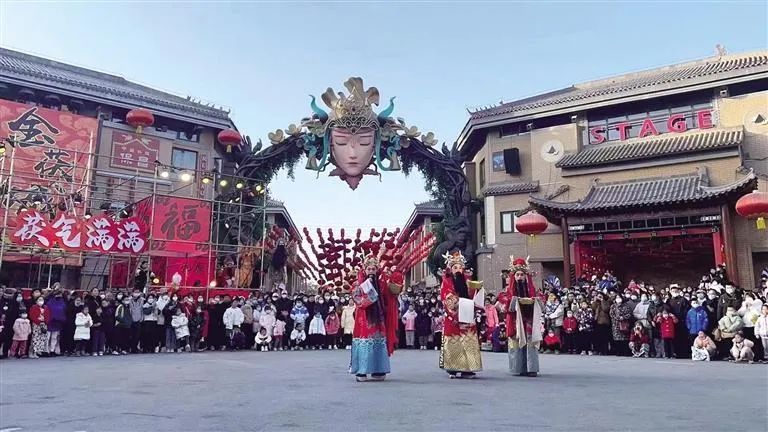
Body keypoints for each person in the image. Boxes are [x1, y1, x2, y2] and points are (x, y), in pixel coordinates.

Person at [349, 255, 399, 382]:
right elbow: (357, 299)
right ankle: (362, 371)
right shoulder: (357, 284)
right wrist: (370, 296)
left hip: (379, 319)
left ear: (377, 270)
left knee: (378, 342)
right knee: (364, 343)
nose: (371, 271)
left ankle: (378, 370)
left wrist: (394, 281)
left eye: (373, 269)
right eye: (369, 269)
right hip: (364, 319)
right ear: (364, 270)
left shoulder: (381, 284)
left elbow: (390, 296)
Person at [438, 251, 483, 379]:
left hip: (467, 315)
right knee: (454, 342)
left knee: (468, 341)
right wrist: (458, 303)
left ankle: (468, 369)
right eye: (455, 267)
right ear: (450, 269)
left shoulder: (468, 281)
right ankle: (453, 368)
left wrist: (478, 290)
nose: (458, 270)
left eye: (460, 267)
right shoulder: (446, 281)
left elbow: (474, 295)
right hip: (453, 317)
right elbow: (446, 296)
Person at [499, 257, 543, 377]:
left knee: (531, 343)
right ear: (514, 276)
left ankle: (531, 368)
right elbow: (503, 302)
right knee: (516, 342)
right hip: (515, 320)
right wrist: (514, 300)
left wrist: (535, 300)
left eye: (522, 275)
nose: (519, 277)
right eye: (517, 275)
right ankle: (518, 367)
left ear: (525, 276)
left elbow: (541, 299)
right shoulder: (508, 290)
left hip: (529, 320)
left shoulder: (532, 289)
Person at [737, 293, 763, 360]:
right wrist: (745, 307)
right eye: (746, 298)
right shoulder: (743, 305)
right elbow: (740, 313)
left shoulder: (757, 303)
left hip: (754, 326)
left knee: (756, 342)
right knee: (747, 342)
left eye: (749, 297)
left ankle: (758, 356)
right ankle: (748, 356)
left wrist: (751, 306)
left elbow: (758, 313)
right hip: (746, 326)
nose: (748, 299)